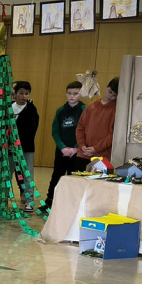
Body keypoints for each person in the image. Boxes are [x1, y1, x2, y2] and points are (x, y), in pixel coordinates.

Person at [44, 81, 87, 209]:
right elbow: (55, 131)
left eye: (75, 93)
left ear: (81, 94)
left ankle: (72, 205)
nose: (72, 96)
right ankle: (50, 202)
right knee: (57, 175)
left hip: (77, 151)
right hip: (62, 151)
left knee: (74, 177)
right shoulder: (61, 110)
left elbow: (85, 131)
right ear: (66, 94)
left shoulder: (85, 110)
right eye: (69, 93)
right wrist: (62, 147)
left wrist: (75, 147)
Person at [12, 81, 40, 212]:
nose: (24, 96)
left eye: (26, 94)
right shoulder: (9, 108)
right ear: (15, 94)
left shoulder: (31, 109)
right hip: (9, 149)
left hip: (26, 148)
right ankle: (2, 199)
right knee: (7, 174)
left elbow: (32, 129)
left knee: (28, 175)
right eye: (21, 93)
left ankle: (29, 201)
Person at [76, 77, 118, 163]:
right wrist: (82, 145)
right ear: (106, 87)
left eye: (114, 95)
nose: (111, 96)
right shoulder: (91, 106)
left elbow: (114, 135)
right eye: (110, 92)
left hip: (102, 156)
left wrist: (96, 148)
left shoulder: (117, 110)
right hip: (83, 153)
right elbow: (80, 128)